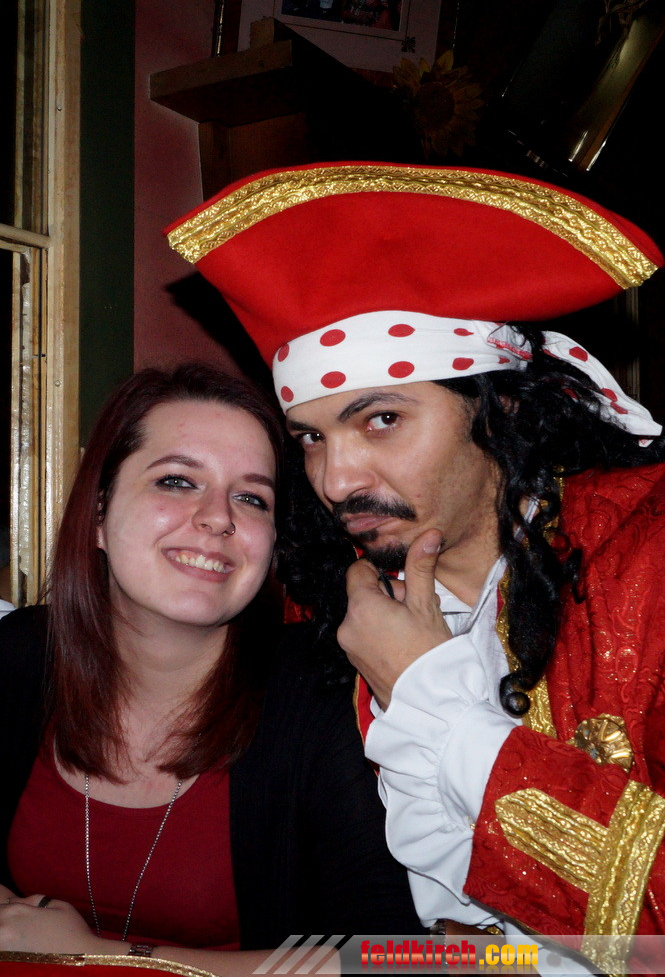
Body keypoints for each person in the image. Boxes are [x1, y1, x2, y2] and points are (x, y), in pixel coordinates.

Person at [166, 161, 665, 975]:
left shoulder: (647, 561)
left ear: (500, 406)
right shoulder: (324, 610)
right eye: (311, 438)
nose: (335, 481)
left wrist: (430, 698)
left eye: (381, 420)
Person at [0, 362, 422, 972]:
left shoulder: (327, 695)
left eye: (252, 498)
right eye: (176, 481)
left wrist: (104, 958)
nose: (219, 517)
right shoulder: (21, 654)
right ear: (98, 514)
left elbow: (400, 958)